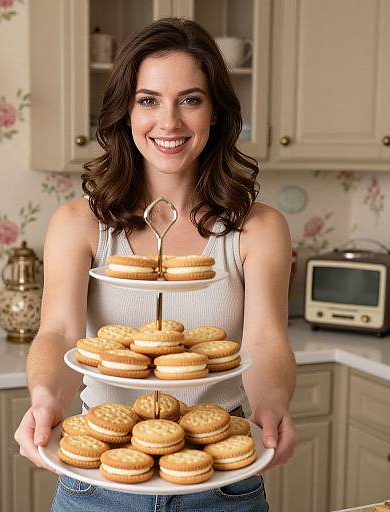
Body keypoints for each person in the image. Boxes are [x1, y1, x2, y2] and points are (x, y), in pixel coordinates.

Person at [15, 17, 297, 512]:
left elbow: (265, 340)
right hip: (97, 479)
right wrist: (44, 399)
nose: (169, 123)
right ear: (126, 111)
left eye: (190, 99)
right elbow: (58, 333)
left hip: (221, 480)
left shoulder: (259, 228)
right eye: (148, 100)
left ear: (215, 113)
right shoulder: (77, 222)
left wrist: (271, 407)